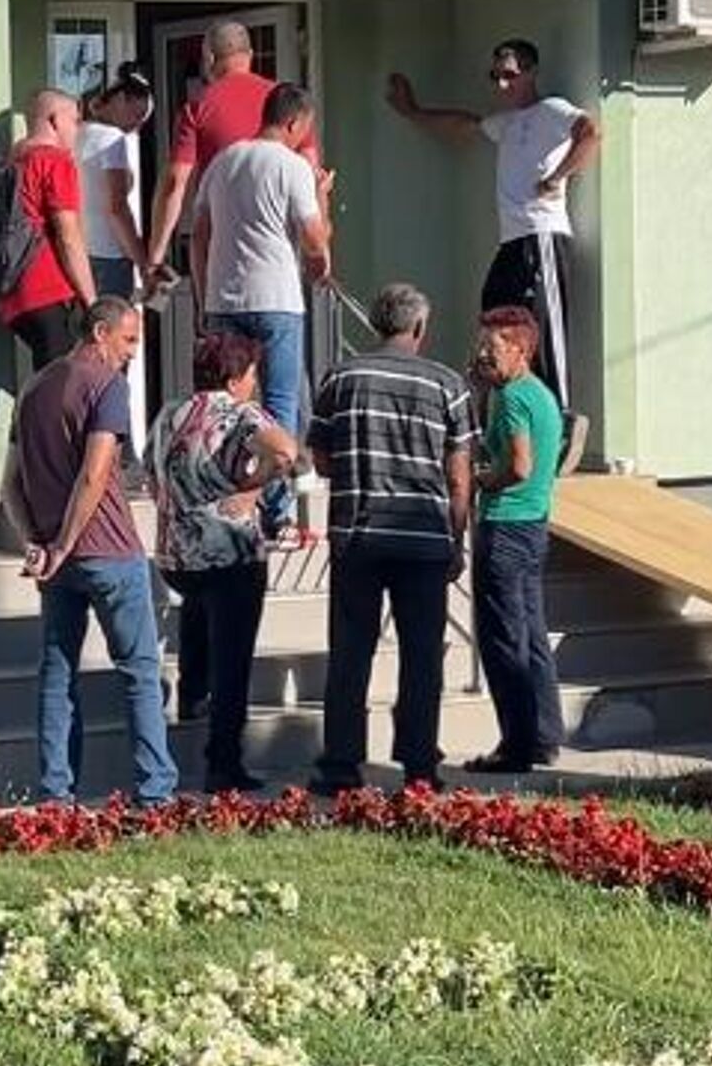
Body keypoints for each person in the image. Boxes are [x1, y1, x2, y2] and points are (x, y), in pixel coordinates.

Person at [385, 39, 598, 464]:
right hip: (511, 242)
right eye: (495, 76)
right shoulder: (509, 123)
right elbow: (464, 125)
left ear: (531, 72)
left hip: (542, 237)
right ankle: (501, 426)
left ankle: (561, 426)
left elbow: (591, 133)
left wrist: (558, 177)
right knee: (496, 321)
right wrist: (412, 111)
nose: (502, 84)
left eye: (510, 75)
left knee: (546, 332)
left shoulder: (552, 110)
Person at [1, 296, 177, 805]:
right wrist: (61, 542)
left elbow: (9, 485)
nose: (132, 352)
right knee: (139, 671)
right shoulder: (107, 385)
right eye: (128, 340)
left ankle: (56, 793)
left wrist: (36, 543)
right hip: (108, 552)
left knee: (57, 674)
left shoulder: (33, 388)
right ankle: (154, 793)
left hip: (58, 559)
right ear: (100, 333)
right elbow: (95, 474)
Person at [306, 282, 476, 795]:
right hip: (423, 539)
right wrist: (456, 540)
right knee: (422, 656)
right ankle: (419, 765)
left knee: (350, 653)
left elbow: (321, 460)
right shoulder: (448, 385)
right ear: (419, 327)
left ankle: (341, 765)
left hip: (358, 535)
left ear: (377, 323)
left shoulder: (341, 378)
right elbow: (460, 476)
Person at [148, 331, 298, 792]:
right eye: (252, 373)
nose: (255, 382)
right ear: (235, 378)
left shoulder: (170, 413)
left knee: (197, 613)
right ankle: (224, 760)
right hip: (229, 551)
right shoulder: (240, 413)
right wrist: (253, 489)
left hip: (177, 551)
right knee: (233, 658)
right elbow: (286, 451)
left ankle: (192, 694)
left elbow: (151, 473)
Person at [191, 80, 333, 531]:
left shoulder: (222, 162)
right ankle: (276, 510)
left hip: (223, 297)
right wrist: (322, 204)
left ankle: (219, 493)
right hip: (276, 298)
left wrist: (202, 295)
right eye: (304, 128)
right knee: (279, 402)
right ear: (293, 122)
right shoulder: (292, 166)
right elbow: (314, 238)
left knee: (222, 403)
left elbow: (199, 234)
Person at [466, 304, 566, 775]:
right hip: (534, 525)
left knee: (504, 639)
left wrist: (483, 479)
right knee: (532, 635)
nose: (483, 354)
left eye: (493, 347)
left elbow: (520, 466)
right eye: (482, 344)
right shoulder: (540, 394)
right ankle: (544, 736)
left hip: (505, 524)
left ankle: (516, 745)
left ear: (520, 350)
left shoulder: (510, 399)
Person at [146, 19, 324, 273]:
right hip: (279, 245)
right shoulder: (286, 105)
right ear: (250, 54)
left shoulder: (198, 108)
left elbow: (175, 182)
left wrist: (156, 255)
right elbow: (311, 174)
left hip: (219, 247)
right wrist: (319, 253)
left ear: (209, 58)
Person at [0, 88, 96, 370]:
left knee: (46, 381)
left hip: (12, 293)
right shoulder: (54, 160)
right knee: (61, 385)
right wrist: (91, 300)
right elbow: (68, 236)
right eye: (74, 120)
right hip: (49, 290)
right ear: (55, 120)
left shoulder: (12, 161)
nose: (78, 129)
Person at [78, 61, 155, 301]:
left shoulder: (78, 133)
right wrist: (142, 262)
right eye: (136, 115)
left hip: (80, 251)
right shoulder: (112, 140)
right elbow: (117, 207)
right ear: (120, 99)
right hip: (110, 254)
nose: (136, 126)